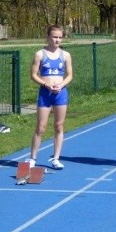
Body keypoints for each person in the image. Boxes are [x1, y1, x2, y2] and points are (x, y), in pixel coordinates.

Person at [28, 25, 73, 169]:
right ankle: (33, 158)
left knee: (59, 126)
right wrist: (45, 84)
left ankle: (56, 158)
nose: (57, 40)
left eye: (60, 37)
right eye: (54, 37)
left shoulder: (65, 55)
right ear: (48, 37)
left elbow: (70, 75)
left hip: (60, 93)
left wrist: (61, 85)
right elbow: (33, 74)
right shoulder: (40, 54)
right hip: (45, 93)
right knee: (41, 127)